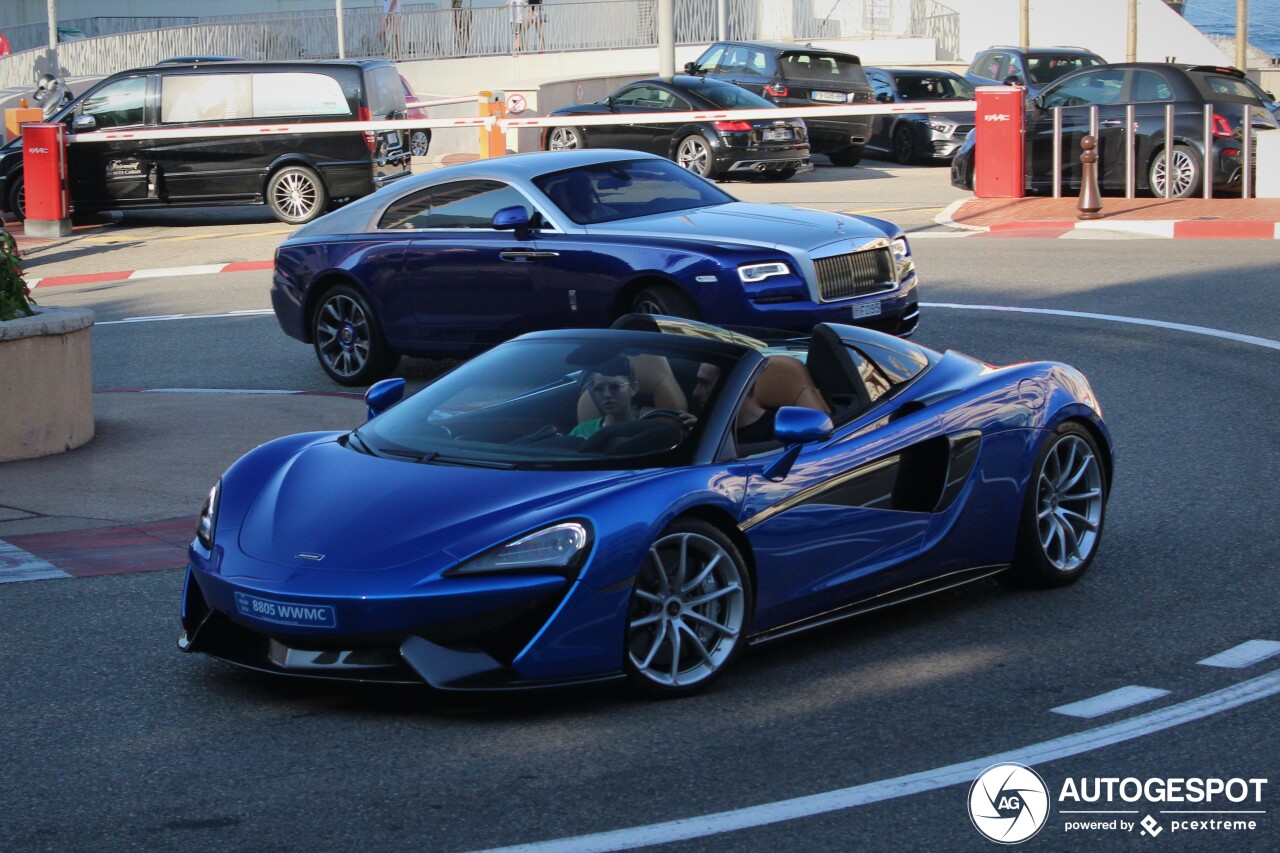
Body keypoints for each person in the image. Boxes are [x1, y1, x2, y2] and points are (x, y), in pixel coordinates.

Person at [570, 356, 639, 438]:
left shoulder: (647, 430)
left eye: (614, 387)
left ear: (633, 388)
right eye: (599, 388)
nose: (607, 395)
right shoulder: (580, 432)